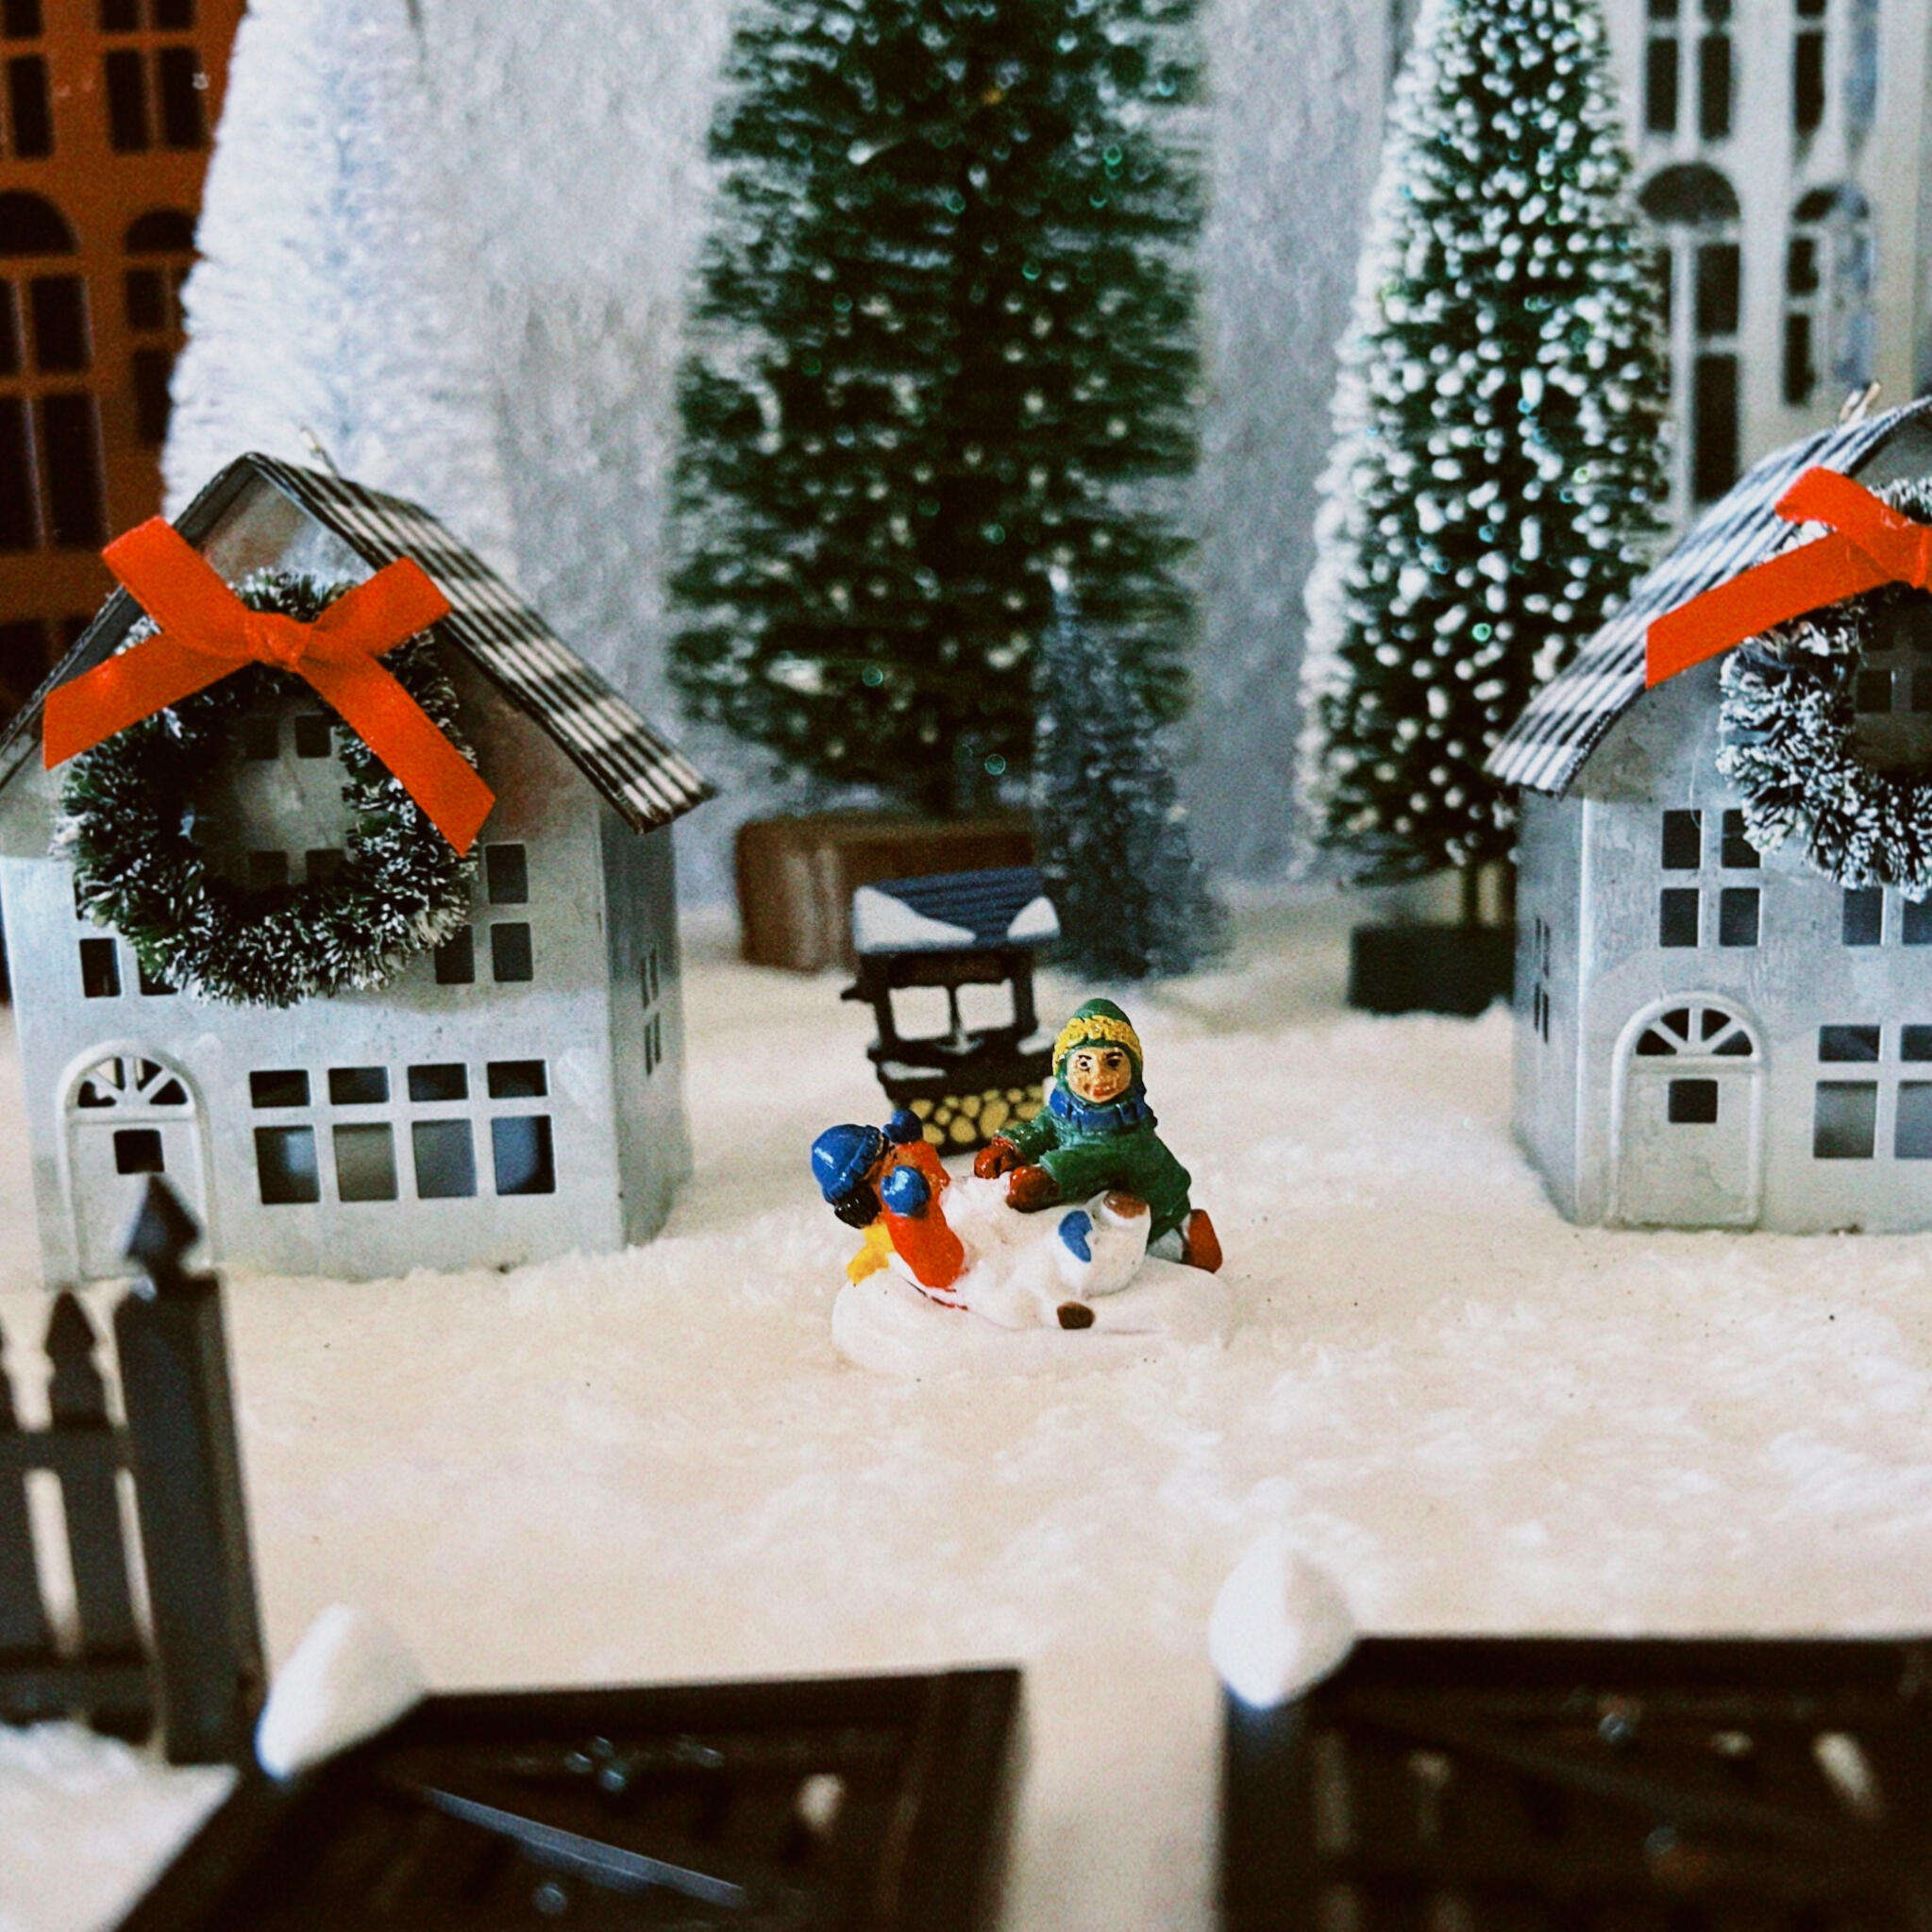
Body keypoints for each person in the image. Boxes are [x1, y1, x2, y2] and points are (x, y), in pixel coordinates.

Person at [974, 998, 1221, 1272]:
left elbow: (1093, 1157)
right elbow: (1046, 1127)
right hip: (1096, 1193)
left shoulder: (1128, 1128)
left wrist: (1050, 1177)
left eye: (1113, 1063)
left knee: (1135, 1248)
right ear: (1065, 1068)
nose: (1099, 1076)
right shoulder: (1066, 1105)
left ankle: (1189, 1232)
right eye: (1084, 1064)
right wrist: (1012, 1147)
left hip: (1153, 1204)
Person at [810, 1109, 966, 1295]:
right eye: (878, 1174)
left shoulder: (915, 1171)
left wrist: (914, 1143)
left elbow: (932, 1172)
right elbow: (940, 1270)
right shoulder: (893, 1236)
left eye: (893, 1154)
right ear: (863, 1203)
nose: (898, 1166)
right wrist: (912, 1219)